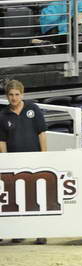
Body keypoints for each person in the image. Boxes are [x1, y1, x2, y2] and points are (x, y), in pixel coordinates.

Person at [0, 80, 47, 245]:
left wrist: (44, 155)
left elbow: (41, 132)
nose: (14, 98)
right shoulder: (3, 115)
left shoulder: (33, 109)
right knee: (16, 199)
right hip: (14, 162)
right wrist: (5, 161)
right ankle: (18, 232)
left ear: (23, 94)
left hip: (34, 159)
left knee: (36, 197)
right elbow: (2, 141)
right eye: (11, 95)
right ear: (7, 96)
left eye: (17, 94)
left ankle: (40, 233)